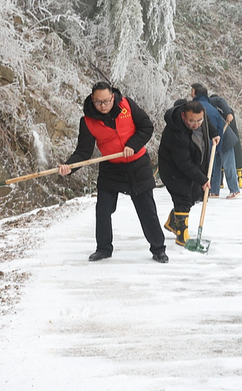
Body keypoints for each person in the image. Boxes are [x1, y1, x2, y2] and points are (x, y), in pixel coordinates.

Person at [58, 81, 168, 264]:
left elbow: (147, 127)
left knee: (146, 209)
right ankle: (103, 249)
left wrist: (132, 145)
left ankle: (158, 249)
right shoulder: (87, 121)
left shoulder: (127, 105)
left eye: (107, 101)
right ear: (92, 99)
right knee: (103, 208)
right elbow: (83, 152)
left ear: (113, 97)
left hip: (137, 164)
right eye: (99, 102)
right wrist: (69, 167)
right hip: (111, 167)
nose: (103, 106)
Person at [158, 99, 220, 246]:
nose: (196, 124)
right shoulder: (176, 132)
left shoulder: (200, 117)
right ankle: (181, 234)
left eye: (199, 120)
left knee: (195, 194)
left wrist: (214, 133)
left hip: (192, 164)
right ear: (184, 116)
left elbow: (207, 123)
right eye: (192, 121)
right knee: (183, 197)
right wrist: (203, 179)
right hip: (173, 169)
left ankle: (173, 221)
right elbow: (184, 163)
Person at [191, 83, 241, 199]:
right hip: (216, 139)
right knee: (215, 165)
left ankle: (234, 189)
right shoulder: (202, 105)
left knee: (228, 165)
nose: (190, 93)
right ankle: (214, 190)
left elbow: (212, 125)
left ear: (195, 93)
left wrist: (228, 113)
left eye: (192, 91)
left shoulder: (203, 107)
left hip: (224, 138)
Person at [210, 93, 242, 189]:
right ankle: (240, 179)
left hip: (222, 137)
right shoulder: (228, 110)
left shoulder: (214, 110)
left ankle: (221, 182)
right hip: (232, 136)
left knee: (220, 160)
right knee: (234, 159)